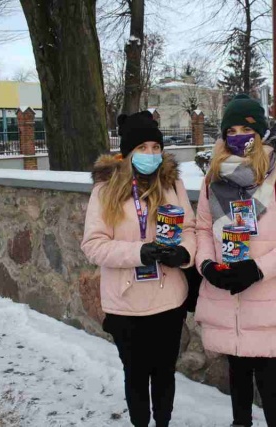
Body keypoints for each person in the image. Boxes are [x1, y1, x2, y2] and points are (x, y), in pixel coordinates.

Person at [195, 94, 276, 427]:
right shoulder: (213, 179)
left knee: (269, 379)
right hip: (227, 294)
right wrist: (206, 266)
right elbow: (201, 229)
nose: (238, 137)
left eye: (246, 129)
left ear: (261, 133)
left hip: (267, 297)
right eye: (231, 131)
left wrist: (258, 269)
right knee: (237, 376)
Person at [81, 111, 196, 427]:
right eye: (142, 148)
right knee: (135, 374)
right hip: (126, 303)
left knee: (165, 372)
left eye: (156, 147)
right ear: (128, 152)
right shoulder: (105, 189)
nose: (151, 154)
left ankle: (163, 423)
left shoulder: (172, 184)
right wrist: (139, 252)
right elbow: (93, 245)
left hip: (168, 299)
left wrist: (183, 253)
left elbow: (190, 228)